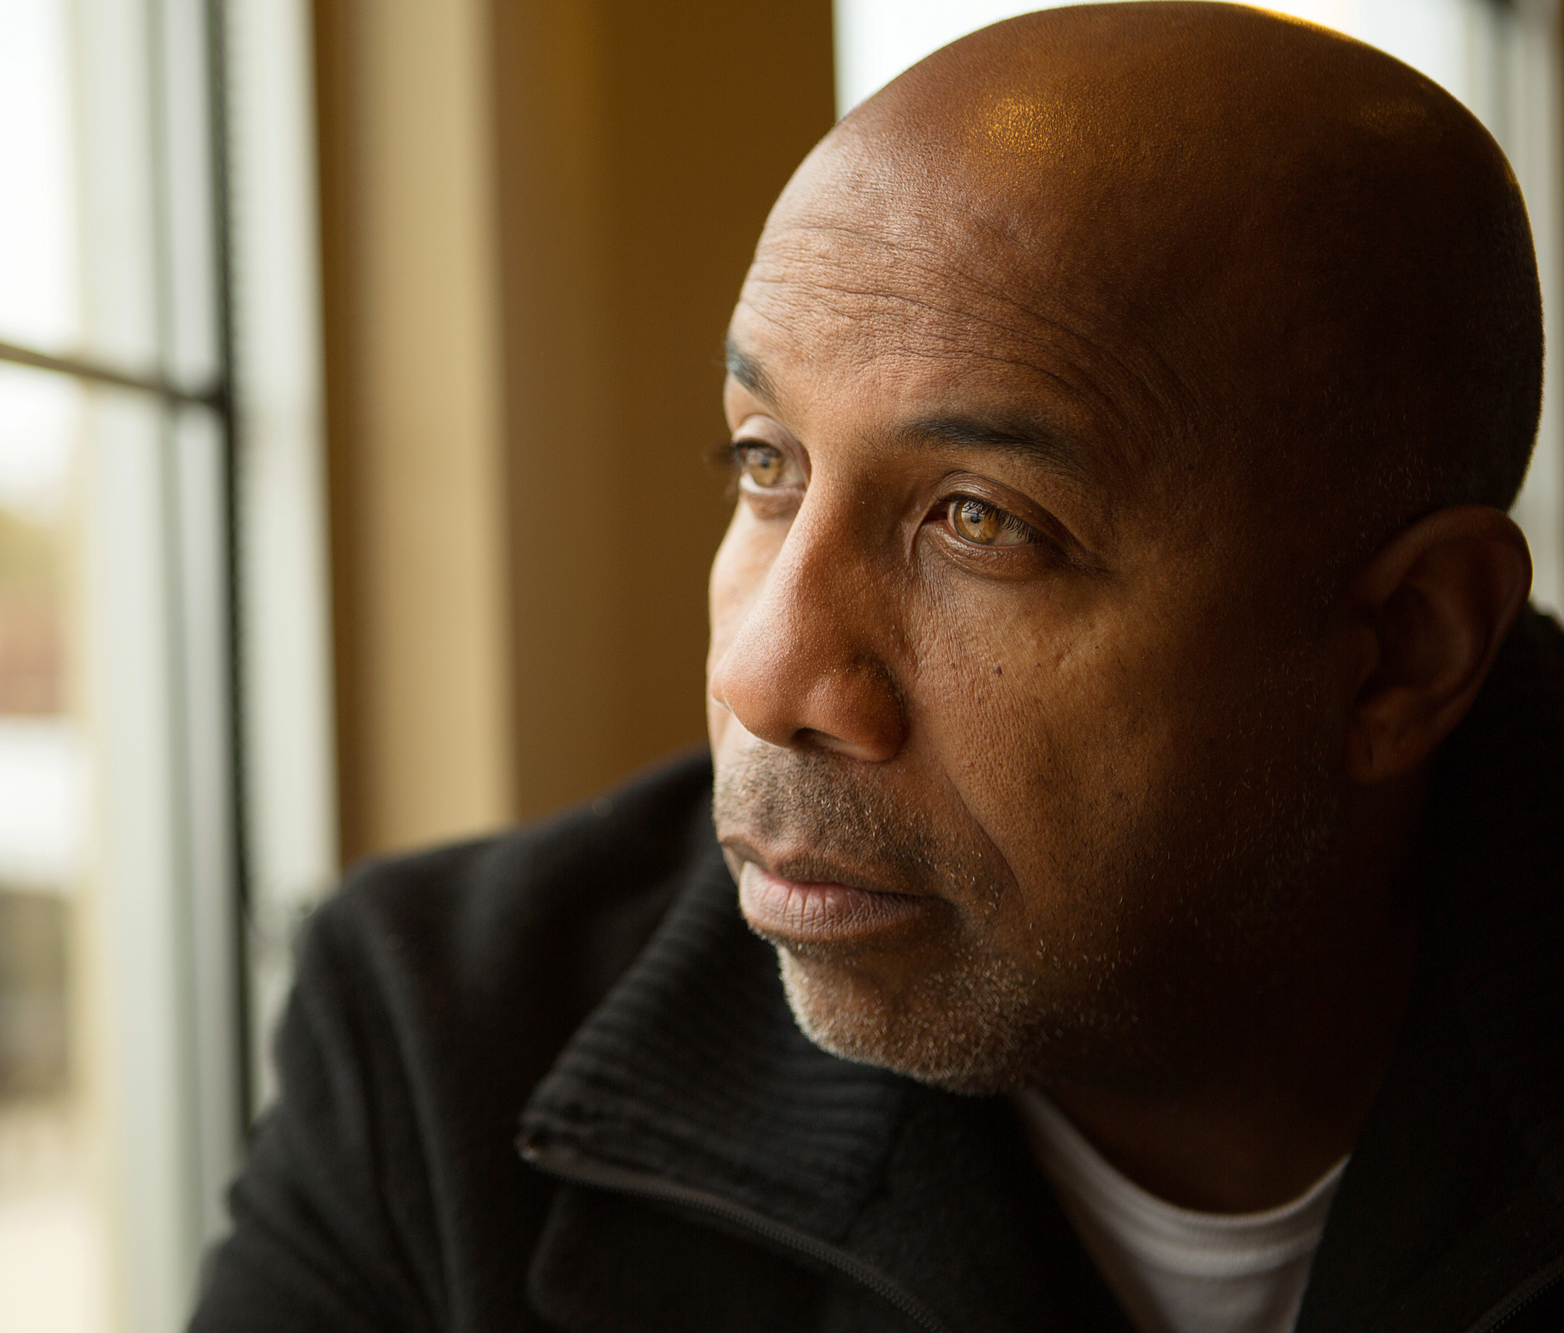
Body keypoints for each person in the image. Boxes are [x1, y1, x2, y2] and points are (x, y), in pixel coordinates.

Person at [191, 4, 1564, 1330]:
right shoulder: (448, 1046)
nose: (766, 673)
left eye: (981, 520)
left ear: (1406, 649)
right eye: (764, 463)